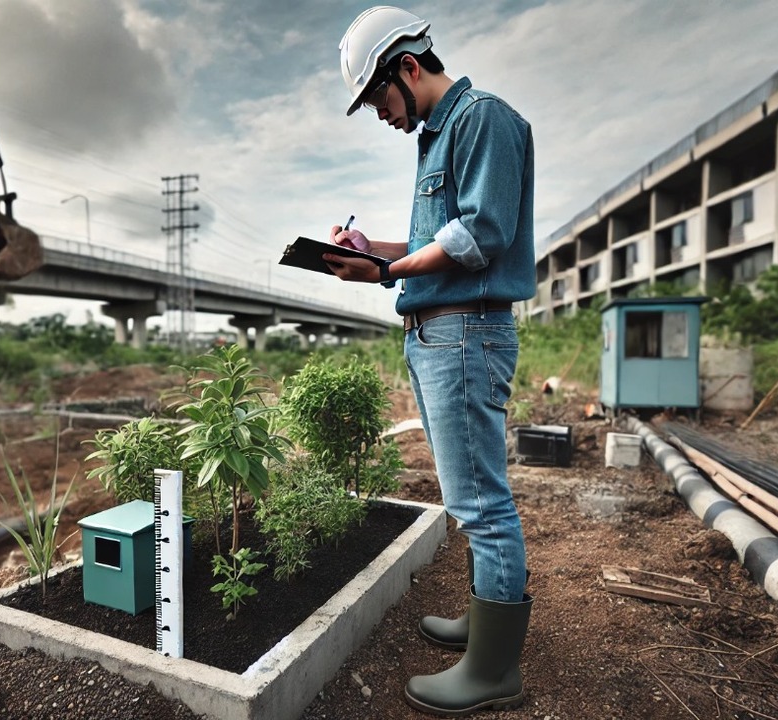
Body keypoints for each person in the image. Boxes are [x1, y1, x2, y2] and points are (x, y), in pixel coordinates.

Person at [325, 6, 536, 715]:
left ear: (407, 69)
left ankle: (493, 670)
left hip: (465, 331)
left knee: (480, 500)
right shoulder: (441, 136)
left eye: (378, 99)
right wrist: (368, 251)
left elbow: (480, 235)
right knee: (468, 491)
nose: (380, 115)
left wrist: (385, 276)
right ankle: (484, 621)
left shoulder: (481, 119)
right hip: (440, 330)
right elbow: (433, 244)